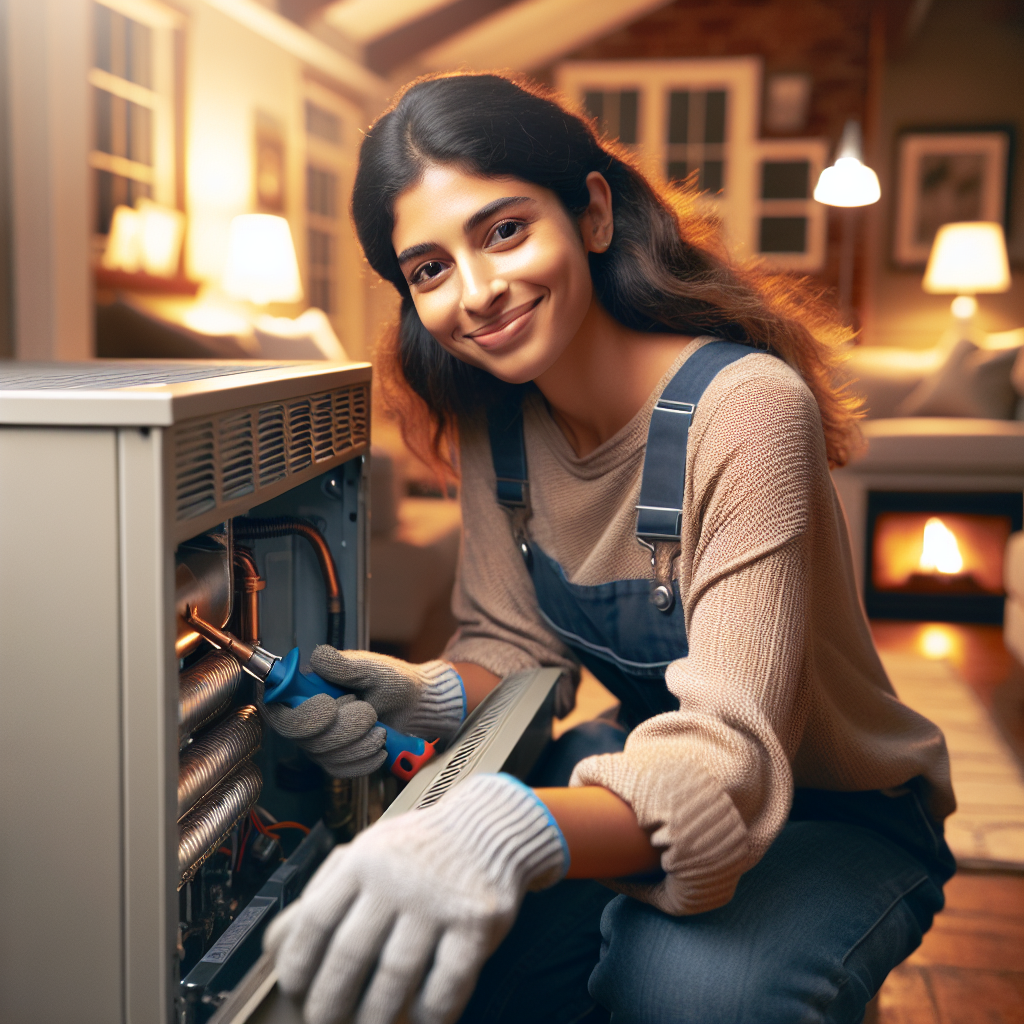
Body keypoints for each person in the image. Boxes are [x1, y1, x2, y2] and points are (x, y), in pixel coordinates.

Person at [261, 73, 955, 1024]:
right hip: (646, 760)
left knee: (686, 991)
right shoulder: (495, 423)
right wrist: (415, 689)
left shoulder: (747, 408)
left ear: (591, 212)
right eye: (428, 269)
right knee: (472, 972)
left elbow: (729, 753)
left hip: (835, 807)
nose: (478, 294)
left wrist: (501, 830)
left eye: (503, 230)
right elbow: (511, 647)